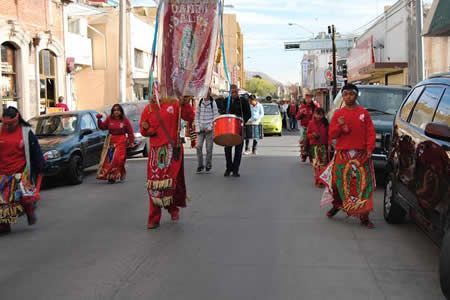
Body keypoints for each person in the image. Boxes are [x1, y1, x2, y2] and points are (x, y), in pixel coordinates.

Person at [321, 84, 376, 229]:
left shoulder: (364, 113)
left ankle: (364, 216)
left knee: (363, 185)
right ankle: (337, 205)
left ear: (356, 95)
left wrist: (370, 148)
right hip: (343, 154)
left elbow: (371, 133)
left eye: (351, 94)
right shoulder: (338, 114)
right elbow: (332, 134)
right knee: (337, 184)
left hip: (361, 154)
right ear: (342, 96)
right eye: (345, 94)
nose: (348, 97)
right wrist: (341, 127)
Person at [140, 96, 195, 229]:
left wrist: (186, 103)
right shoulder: (148, 109)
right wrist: (148, 129)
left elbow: (190, 117)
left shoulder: (175, 104)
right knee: (154, 185)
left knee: (171, 182)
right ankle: (153, 218)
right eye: (154, 91)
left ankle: (173, 207)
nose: (155, 94)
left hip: (172, 150)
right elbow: (143, 131)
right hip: (155, 153)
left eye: (159, 90)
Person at [0, 107, 45, 234]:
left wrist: (41, 165)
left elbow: (35, 150)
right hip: (2, 172)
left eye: (10, 124)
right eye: (5, 124)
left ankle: (29, 210)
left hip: (20, 171)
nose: (7, 126)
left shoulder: (26, 132)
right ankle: (4, 225)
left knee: (23, 198)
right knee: (3, 201)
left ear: (17, 119)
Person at [96, 104, 135, 184]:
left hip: (121, 141)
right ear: (112, 112)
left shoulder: (125, 120)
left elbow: (130, 132)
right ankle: (112, 176)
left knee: (118, 159)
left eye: (118, 110)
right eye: (114, 110)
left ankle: (119, 173)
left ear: (121, 111)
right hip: (111, 141)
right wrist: (99, 120)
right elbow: (102, 127)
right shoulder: (109, 119)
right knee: (111, 160)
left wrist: (131, 141)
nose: (116, 112)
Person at [224, 84, 251, 177]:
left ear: (238, 91)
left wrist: (243, 120)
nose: (234, 93)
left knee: (238, 150)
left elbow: (248, 113)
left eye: (235, 92)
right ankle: (228, 168)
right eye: (232, 92)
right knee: (227, 149)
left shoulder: (242, 101)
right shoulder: (226, 101)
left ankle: (235, 170)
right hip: (227, 128)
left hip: (239, 127)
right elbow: (221, 111)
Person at [195, 88, 219, 173]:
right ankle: (200, 165)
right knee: (198, 146)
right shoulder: (200, 102)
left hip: (209, 130)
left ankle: (208, 164)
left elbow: (215, 117)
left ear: (210, 92)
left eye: (207, 92)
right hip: (200, 129)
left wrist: (210, 127)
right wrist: (197, 127)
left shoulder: (213, 103)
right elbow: (196, 115)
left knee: (209, 148)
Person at [306, 107, 329, 187]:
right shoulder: (311, 123)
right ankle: (317, 179)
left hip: (323, 146)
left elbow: (329, 135)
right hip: (314, 146)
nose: (318, 116)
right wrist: (313, 135)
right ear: (314, 114)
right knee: (316, 164)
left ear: (323, 115)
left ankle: (321, 180)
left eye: (320, 115)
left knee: (323, 164)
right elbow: (308, 135)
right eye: (317, 114)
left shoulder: (325, 123)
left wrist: (329, 144)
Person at [296, 89, 317, 162]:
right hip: (304, 126)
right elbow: (297, 117)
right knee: (303, 140)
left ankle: (313, 155)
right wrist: (302, 114)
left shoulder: (315, 107)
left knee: (313, 140)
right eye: (307, 98)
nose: (308, 99)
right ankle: (303, 154)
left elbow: (319, 114)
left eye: (310, 98)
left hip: (313, 126)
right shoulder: (302, 107)